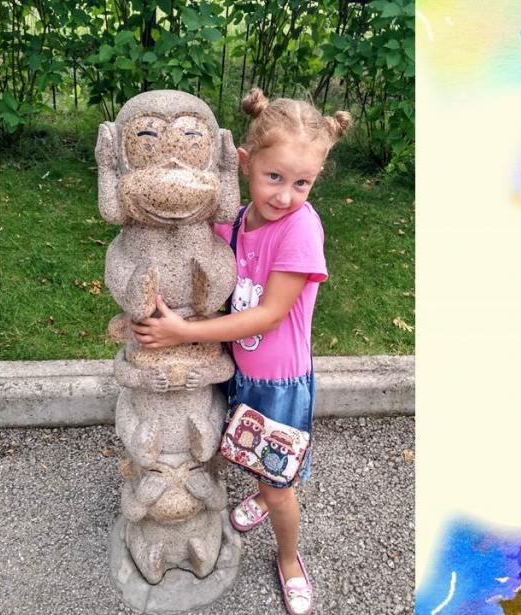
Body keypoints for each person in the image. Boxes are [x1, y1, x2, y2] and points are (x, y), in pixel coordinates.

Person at [131, 87, 351, 615]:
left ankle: (290, 559)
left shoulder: (301, 229)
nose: (286, 195)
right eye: (274, 177)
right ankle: (260, 493)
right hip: (239, 370)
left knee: (279, 486)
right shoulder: (234, 222)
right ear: (245, 163)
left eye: (302, 183)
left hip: (278, 383)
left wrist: (183, 333)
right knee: (247, 453)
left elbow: (268, 314)